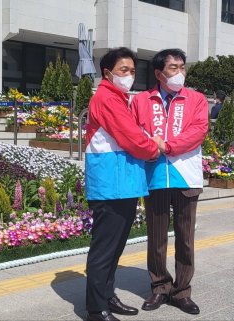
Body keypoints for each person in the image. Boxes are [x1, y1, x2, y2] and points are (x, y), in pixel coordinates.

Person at [84, 47, 162, 321]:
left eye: (132, 70)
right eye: (123, 70)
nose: (129, 75)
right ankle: (96, 308)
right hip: (110, 184)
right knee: (105, 249)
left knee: (115, 247)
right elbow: (132, 138)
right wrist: (155, 149)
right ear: (108, 73)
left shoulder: (119, 98)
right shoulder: (107, 98)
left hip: (122, 183)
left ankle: (107, 296)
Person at [131, 48, 209, 315]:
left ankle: (182, 291)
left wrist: (166, 145)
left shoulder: (196, 99)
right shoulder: (141, 100)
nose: (179, 73)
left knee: (185, 238)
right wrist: (150, 145)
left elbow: (198, 132)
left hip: (185, 176)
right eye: (173, 68)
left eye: (182, 67)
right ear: (158, 73)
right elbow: (135, 132)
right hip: (154, 177)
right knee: (156, 238)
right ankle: (160, 287)